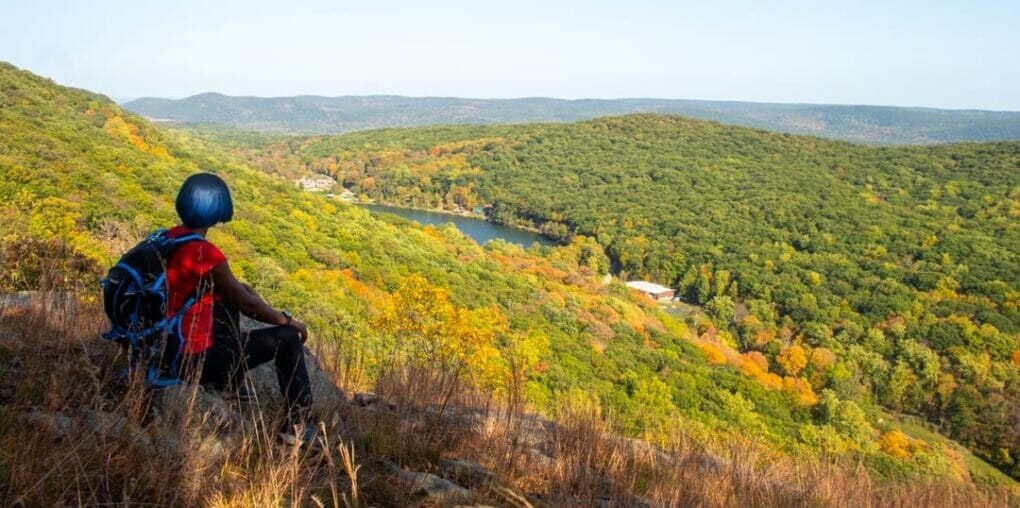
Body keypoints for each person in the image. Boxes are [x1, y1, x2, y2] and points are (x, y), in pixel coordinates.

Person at [163, 172, 318, 448]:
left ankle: (229, 380)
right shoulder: (205, 254)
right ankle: (298, 428)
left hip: (161, 348)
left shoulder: (168, 238)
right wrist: (288, 321)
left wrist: (244, 291)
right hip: (190, 361)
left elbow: (233, 290)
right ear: (217, 209)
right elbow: (246, 305)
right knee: (288, 340)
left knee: (224, 298)